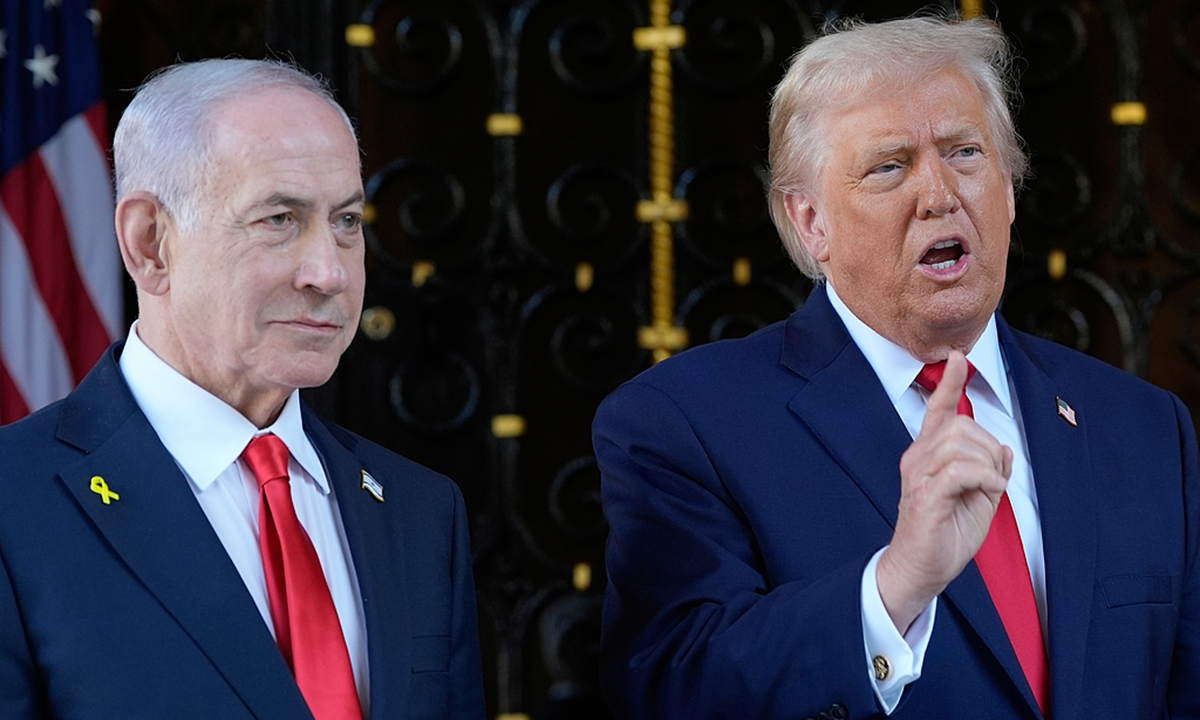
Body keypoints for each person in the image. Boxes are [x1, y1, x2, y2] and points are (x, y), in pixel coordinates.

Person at [593, 16, 1200, 720]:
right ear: (809, 220)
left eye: (965, 153)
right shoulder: (684, 423)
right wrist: (895, 587)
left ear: (1008, 189)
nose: (940, 195)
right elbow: (674, 690)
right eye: (890, 166)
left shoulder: (1145, 425)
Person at [0, 59, 485, 719]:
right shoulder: (15, 504)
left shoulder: (420, 511)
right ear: (151, 244)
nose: (329, 273)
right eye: (280, 218)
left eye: (346, 221)